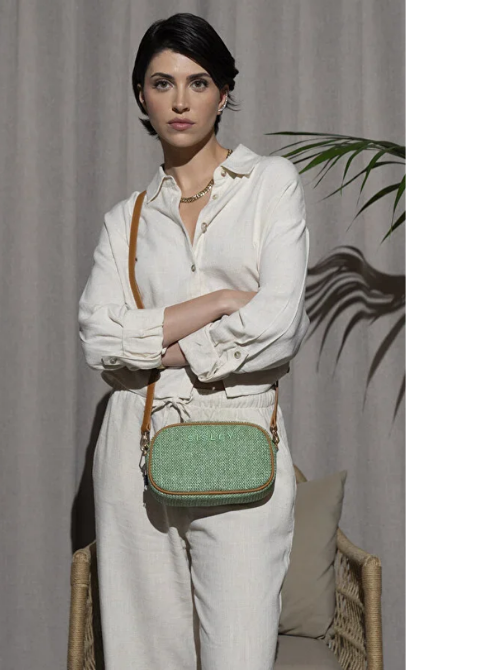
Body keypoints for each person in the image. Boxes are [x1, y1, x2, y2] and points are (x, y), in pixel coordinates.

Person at [77, 12, 310, 670]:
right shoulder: (125, 219)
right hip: (133, 448)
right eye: (162, 83)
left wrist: (161, 350)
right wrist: (216, 303)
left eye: (198, 82)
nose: (181, 101)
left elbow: (280, 323)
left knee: (239, 656)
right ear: (142, 97)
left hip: (239, 436)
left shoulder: (270, 185)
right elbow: (97, 338)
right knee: (143, 658)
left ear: (224, 93)